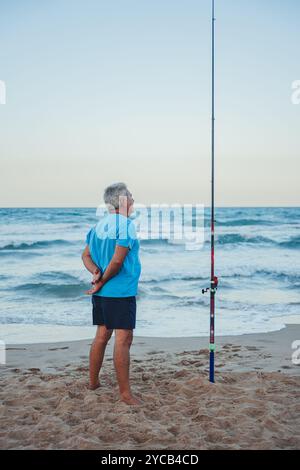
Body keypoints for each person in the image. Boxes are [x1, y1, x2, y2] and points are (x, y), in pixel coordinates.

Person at [82, 182, 141, 405]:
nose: (134, 200)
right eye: (131, 196)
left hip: (103, 292)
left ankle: (93, 382)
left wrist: (96, 272)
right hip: (120, 291)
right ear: (123, 201)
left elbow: (85, 256)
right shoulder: (126, 225)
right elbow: (117, 261)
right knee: (123, 339)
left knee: (102, 335)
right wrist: (102, 279)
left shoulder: (98, 227)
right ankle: (125, 394)